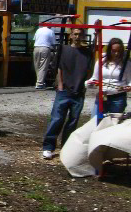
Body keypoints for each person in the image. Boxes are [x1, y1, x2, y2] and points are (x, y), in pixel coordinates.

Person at [41, 28, 93, 160]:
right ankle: (48, 147)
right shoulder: (64, 49)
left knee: (73, 121)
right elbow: (60, 67)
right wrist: (60, 83)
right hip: (64, 90)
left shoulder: (87, 52)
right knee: (57, 118)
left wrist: (85, 83)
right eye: (75, 34)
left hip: (78, 90)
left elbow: (89, 69)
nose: (77, 36)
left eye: (79, 34)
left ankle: (66, 146)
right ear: (71, 36)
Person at [86, 37, 130, 116]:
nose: (116, 53)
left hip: (118, 98)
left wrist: (129, 87)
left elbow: (130, 81)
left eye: (119, 51)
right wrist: (89, 83)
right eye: (114, 51)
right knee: (97, 120)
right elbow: (95, 78)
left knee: (114, 123)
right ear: (109, 50)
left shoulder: (126, 64)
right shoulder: (101, 61)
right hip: (102, 96)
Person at [33, 25, 56, 90]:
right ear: (49, 26)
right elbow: (53, 43)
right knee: (43, 66)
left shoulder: (38, 30)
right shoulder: (51, 31)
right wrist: (55, 51)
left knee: (37, 66)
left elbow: (35, 39)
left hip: (36, 47)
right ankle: (40, 83)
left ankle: (39, 82)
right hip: (45, 48)